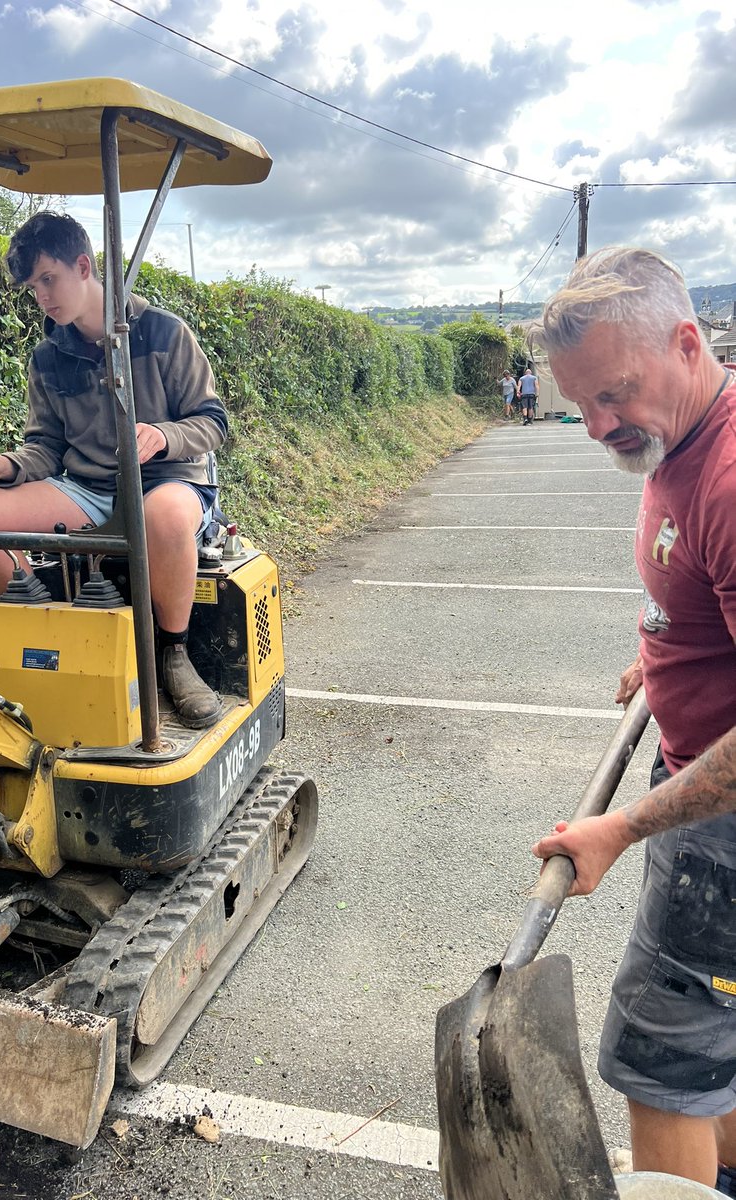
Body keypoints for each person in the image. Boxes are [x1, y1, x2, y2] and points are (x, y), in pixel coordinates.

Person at [529, 246, 736, 1194]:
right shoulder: (678, 441)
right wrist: (666, 647)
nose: (598, 425)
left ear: (688, 343)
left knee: (664, 1056)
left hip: (720, 821)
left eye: (615, 394)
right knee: (712, 1030)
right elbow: (700, 590)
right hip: (705, 785)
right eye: (580, 406)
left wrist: (622, 827)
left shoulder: (730, 477)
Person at [0, 212, 226, 730]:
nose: (42, 297)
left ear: (83, 266)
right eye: (33, 288)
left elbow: (212, 422)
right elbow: (45, 448)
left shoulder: (164, 333)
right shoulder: (48, 357)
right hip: (88, 489)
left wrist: (165, 437)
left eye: (48, 279)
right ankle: (50, 626)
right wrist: (5, 466)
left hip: (170, 482)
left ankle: (173, 654)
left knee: (161, 515)